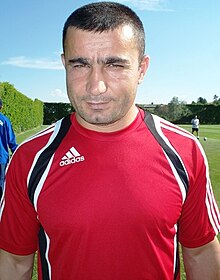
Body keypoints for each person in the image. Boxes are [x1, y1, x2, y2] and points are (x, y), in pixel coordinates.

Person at [0, 2, 219, 279]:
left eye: (114, 65)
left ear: (142, 69)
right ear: (63, 63)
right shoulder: (30, 158)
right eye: (79, 64)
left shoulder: (185, 151)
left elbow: (200, 252)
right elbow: (14, 261)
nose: (96, 86)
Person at [0, 99, 18, 200]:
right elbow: (11, 140)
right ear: (1, 107)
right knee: (1, 181)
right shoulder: (4, 120)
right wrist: (16, 151)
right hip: (2, 157)